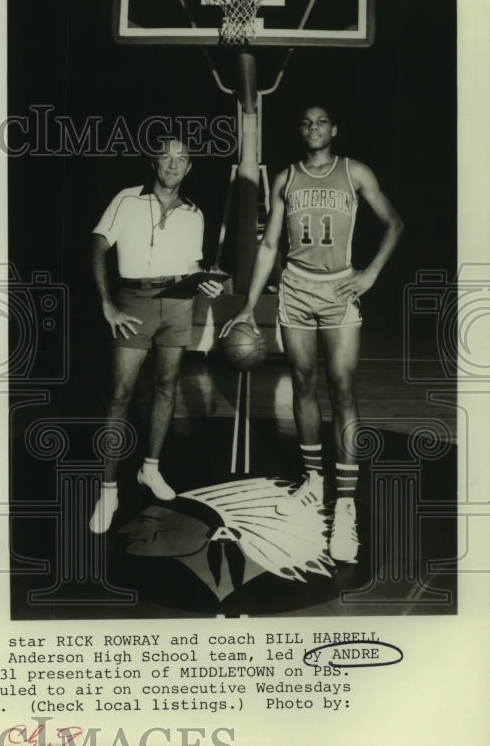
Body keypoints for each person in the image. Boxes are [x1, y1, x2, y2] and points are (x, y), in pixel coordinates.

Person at [221, 105, 403, 562]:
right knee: (303, 385)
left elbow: (395, 224)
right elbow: (268, 245)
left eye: (321, 121)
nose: (313, 127)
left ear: (334, 129)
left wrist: (371, 274)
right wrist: (246, 306)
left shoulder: (354, 172)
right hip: (296, 293)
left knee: (343, 391)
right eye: (305, 122)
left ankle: (344, 505)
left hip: (340, 290)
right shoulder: (286, 179)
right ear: (300, 131)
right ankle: (313, 483)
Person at [90, 137, 224, 533]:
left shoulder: (194, 214)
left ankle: (150, 469)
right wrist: (107, 304)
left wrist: (207, 284)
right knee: (120, 394)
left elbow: (191, 266)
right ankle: (108, 488)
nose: (173, 163)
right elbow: (97, 246)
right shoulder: (126, 199)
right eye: (166, 156)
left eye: (181, 159)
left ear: (189, 169)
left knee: (167, 387)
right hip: (133, 300)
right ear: (154, 161)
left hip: (179, 302)